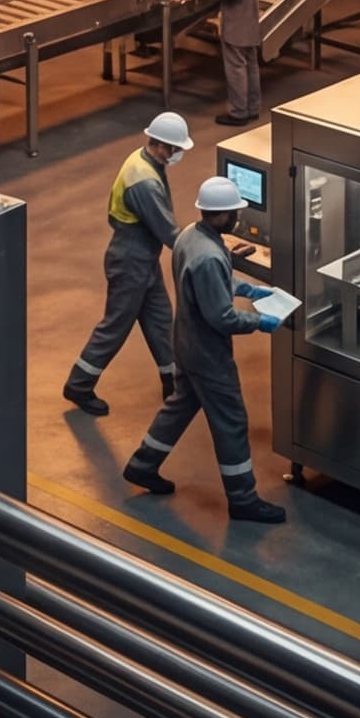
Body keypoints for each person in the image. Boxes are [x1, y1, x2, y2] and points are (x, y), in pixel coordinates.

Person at [121, 175, 286, 525]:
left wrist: (248, 289)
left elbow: (209, 282)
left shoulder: (189, 237)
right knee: (231, 422)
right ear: (225, 215)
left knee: (180, 406)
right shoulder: (211, 255)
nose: (239, 218)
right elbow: (221, 316)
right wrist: (260, 322)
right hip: (209, 355)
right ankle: (243, 499)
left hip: (184, 342)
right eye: (236, 212)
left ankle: (142, 464)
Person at [63, 110, 194, 417]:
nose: (177, 155)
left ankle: (172, 382)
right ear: (160, 145)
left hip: (142, 258)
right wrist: (206, 247)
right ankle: (79, 384)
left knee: (161, 318)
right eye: (175, 149)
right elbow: (168, 232)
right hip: (130, 258)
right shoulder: (144, 183)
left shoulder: (144, 159)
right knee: (116, 326)